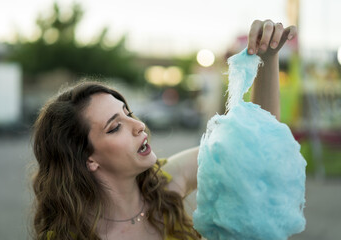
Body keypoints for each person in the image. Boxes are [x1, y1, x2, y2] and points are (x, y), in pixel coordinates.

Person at [31, 19, 297, 240]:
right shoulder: (67, 236)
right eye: (115, 127)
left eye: (128, 113)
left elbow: (256, 147)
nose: (138, 125)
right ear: (87, 158)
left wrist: (268, 58)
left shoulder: (165, 183)